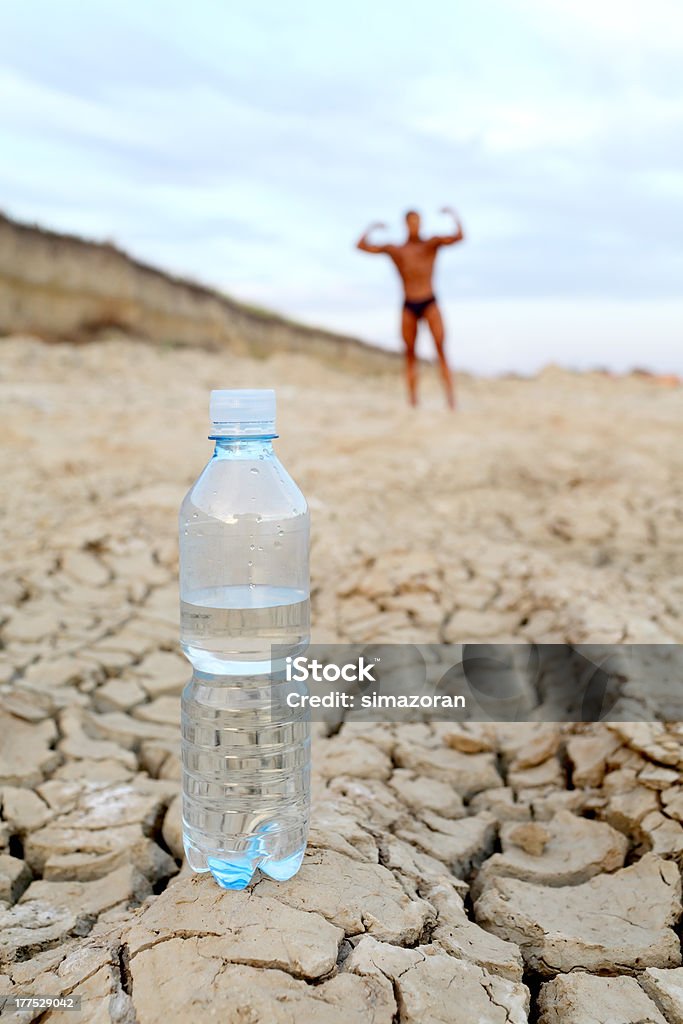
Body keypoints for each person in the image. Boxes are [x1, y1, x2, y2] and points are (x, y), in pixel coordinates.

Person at [356, 208, 464, 408]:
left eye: (418, 221)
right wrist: (372, 228)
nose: (415, 225)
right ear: (405, 224)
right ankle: (413, 401)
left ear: (421, 223)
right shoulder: (397, 250)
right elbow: (361, 246)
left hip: (429, 301)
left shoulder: (431, 244)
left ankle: (451, 400)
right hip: (408, 304)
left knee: (440, 350)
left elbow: (459, 237)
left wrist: (454, 216)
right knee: (410, 354)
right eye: (411, 222)